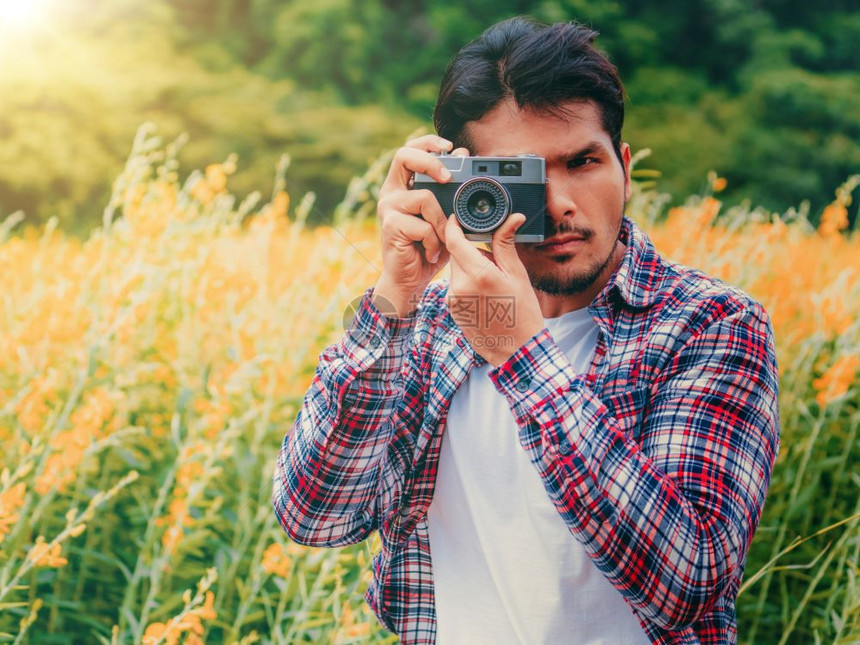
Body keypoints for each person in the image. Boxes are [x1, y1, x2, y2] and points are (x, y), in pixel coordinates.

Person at [272, 15, 780, 645]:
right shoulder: (428, 325)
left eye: (583, 162)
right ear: (464, 188)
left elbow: (689, 580)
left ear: (622, 166)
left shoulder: (709, 324)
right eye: (526, 177)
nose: (562, 202)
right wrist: (396, 296)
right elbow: (312, 516)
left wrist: (519, 351)